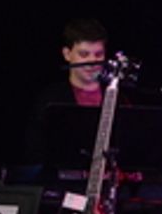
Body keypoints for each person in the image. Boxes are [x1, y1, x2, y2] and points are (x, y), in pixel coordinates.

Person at [24, 18, 111, 163]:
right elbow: (35, 153)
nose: (92, 62)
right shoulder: (50, 99)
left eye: (98, 54)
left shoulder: (119, 98)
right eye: (84, 54)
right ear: (67, 54)